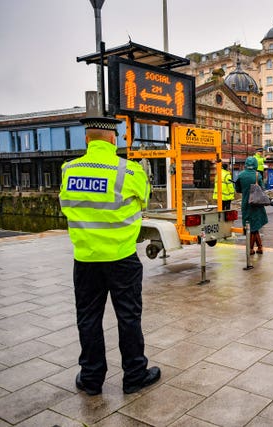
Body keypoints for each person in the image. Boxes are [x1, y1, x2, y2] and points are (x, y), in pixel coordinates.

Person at [59, 116, 160, 396]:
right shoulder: (129, 171)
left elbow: (66, 206)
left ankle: (91, 379)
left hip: (86, 258)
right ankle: (134, 376)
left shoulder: (69, 169)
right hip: (121, 257)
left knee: (88, 318)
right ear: (114, 139)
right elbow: (144, 200)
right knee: (129, 317)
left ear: (87, 140)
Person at [235, 156, 268, 254]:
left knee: (251, 227)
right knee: (255, 227)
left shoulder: (241, 175)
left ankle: (250, 249)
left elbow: (237, 189)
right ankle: (260, 247)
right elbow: (262, 188)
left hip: (246, 203)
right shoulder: (258, 175)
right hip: (257, 203)